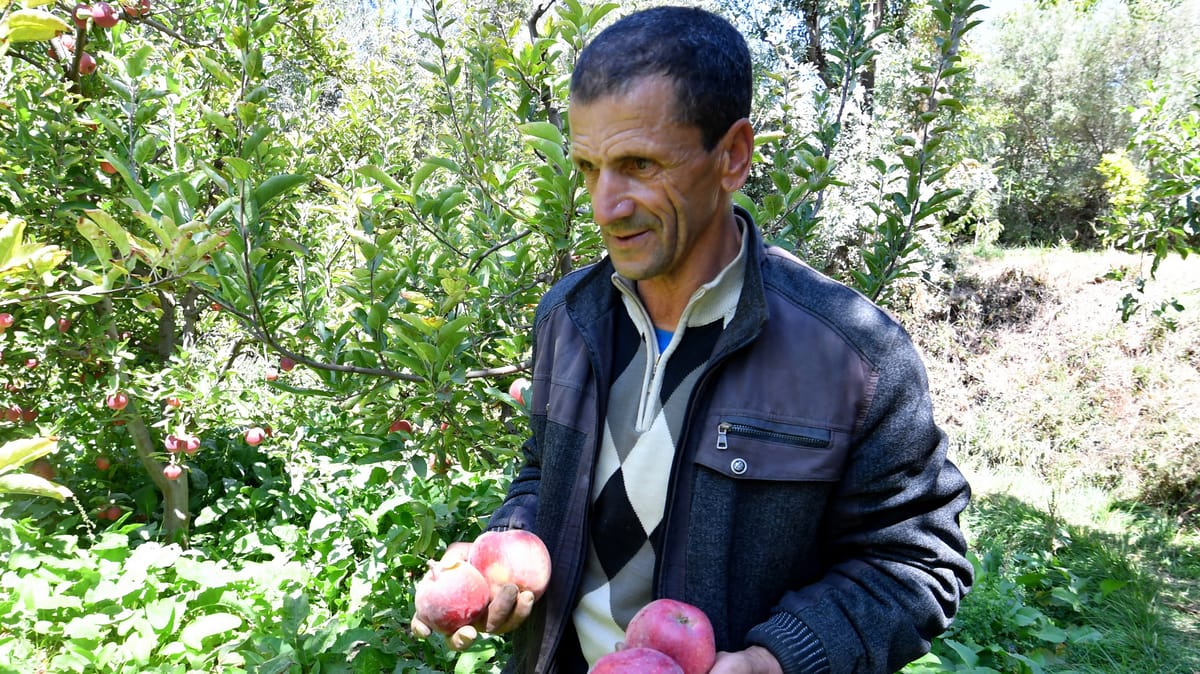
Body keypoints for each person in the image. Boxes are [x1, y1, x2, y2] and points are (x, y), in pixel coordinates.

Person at [412, 6, 973, 673]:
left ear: (733, 156)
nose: (604, 205)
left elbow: (914, 561)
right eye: (590, 168)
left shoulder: (853, 356)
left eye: (639, 164)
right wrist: (502, 555)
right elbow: (541, 473)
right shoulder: (568, 315)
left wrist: (776, 660)